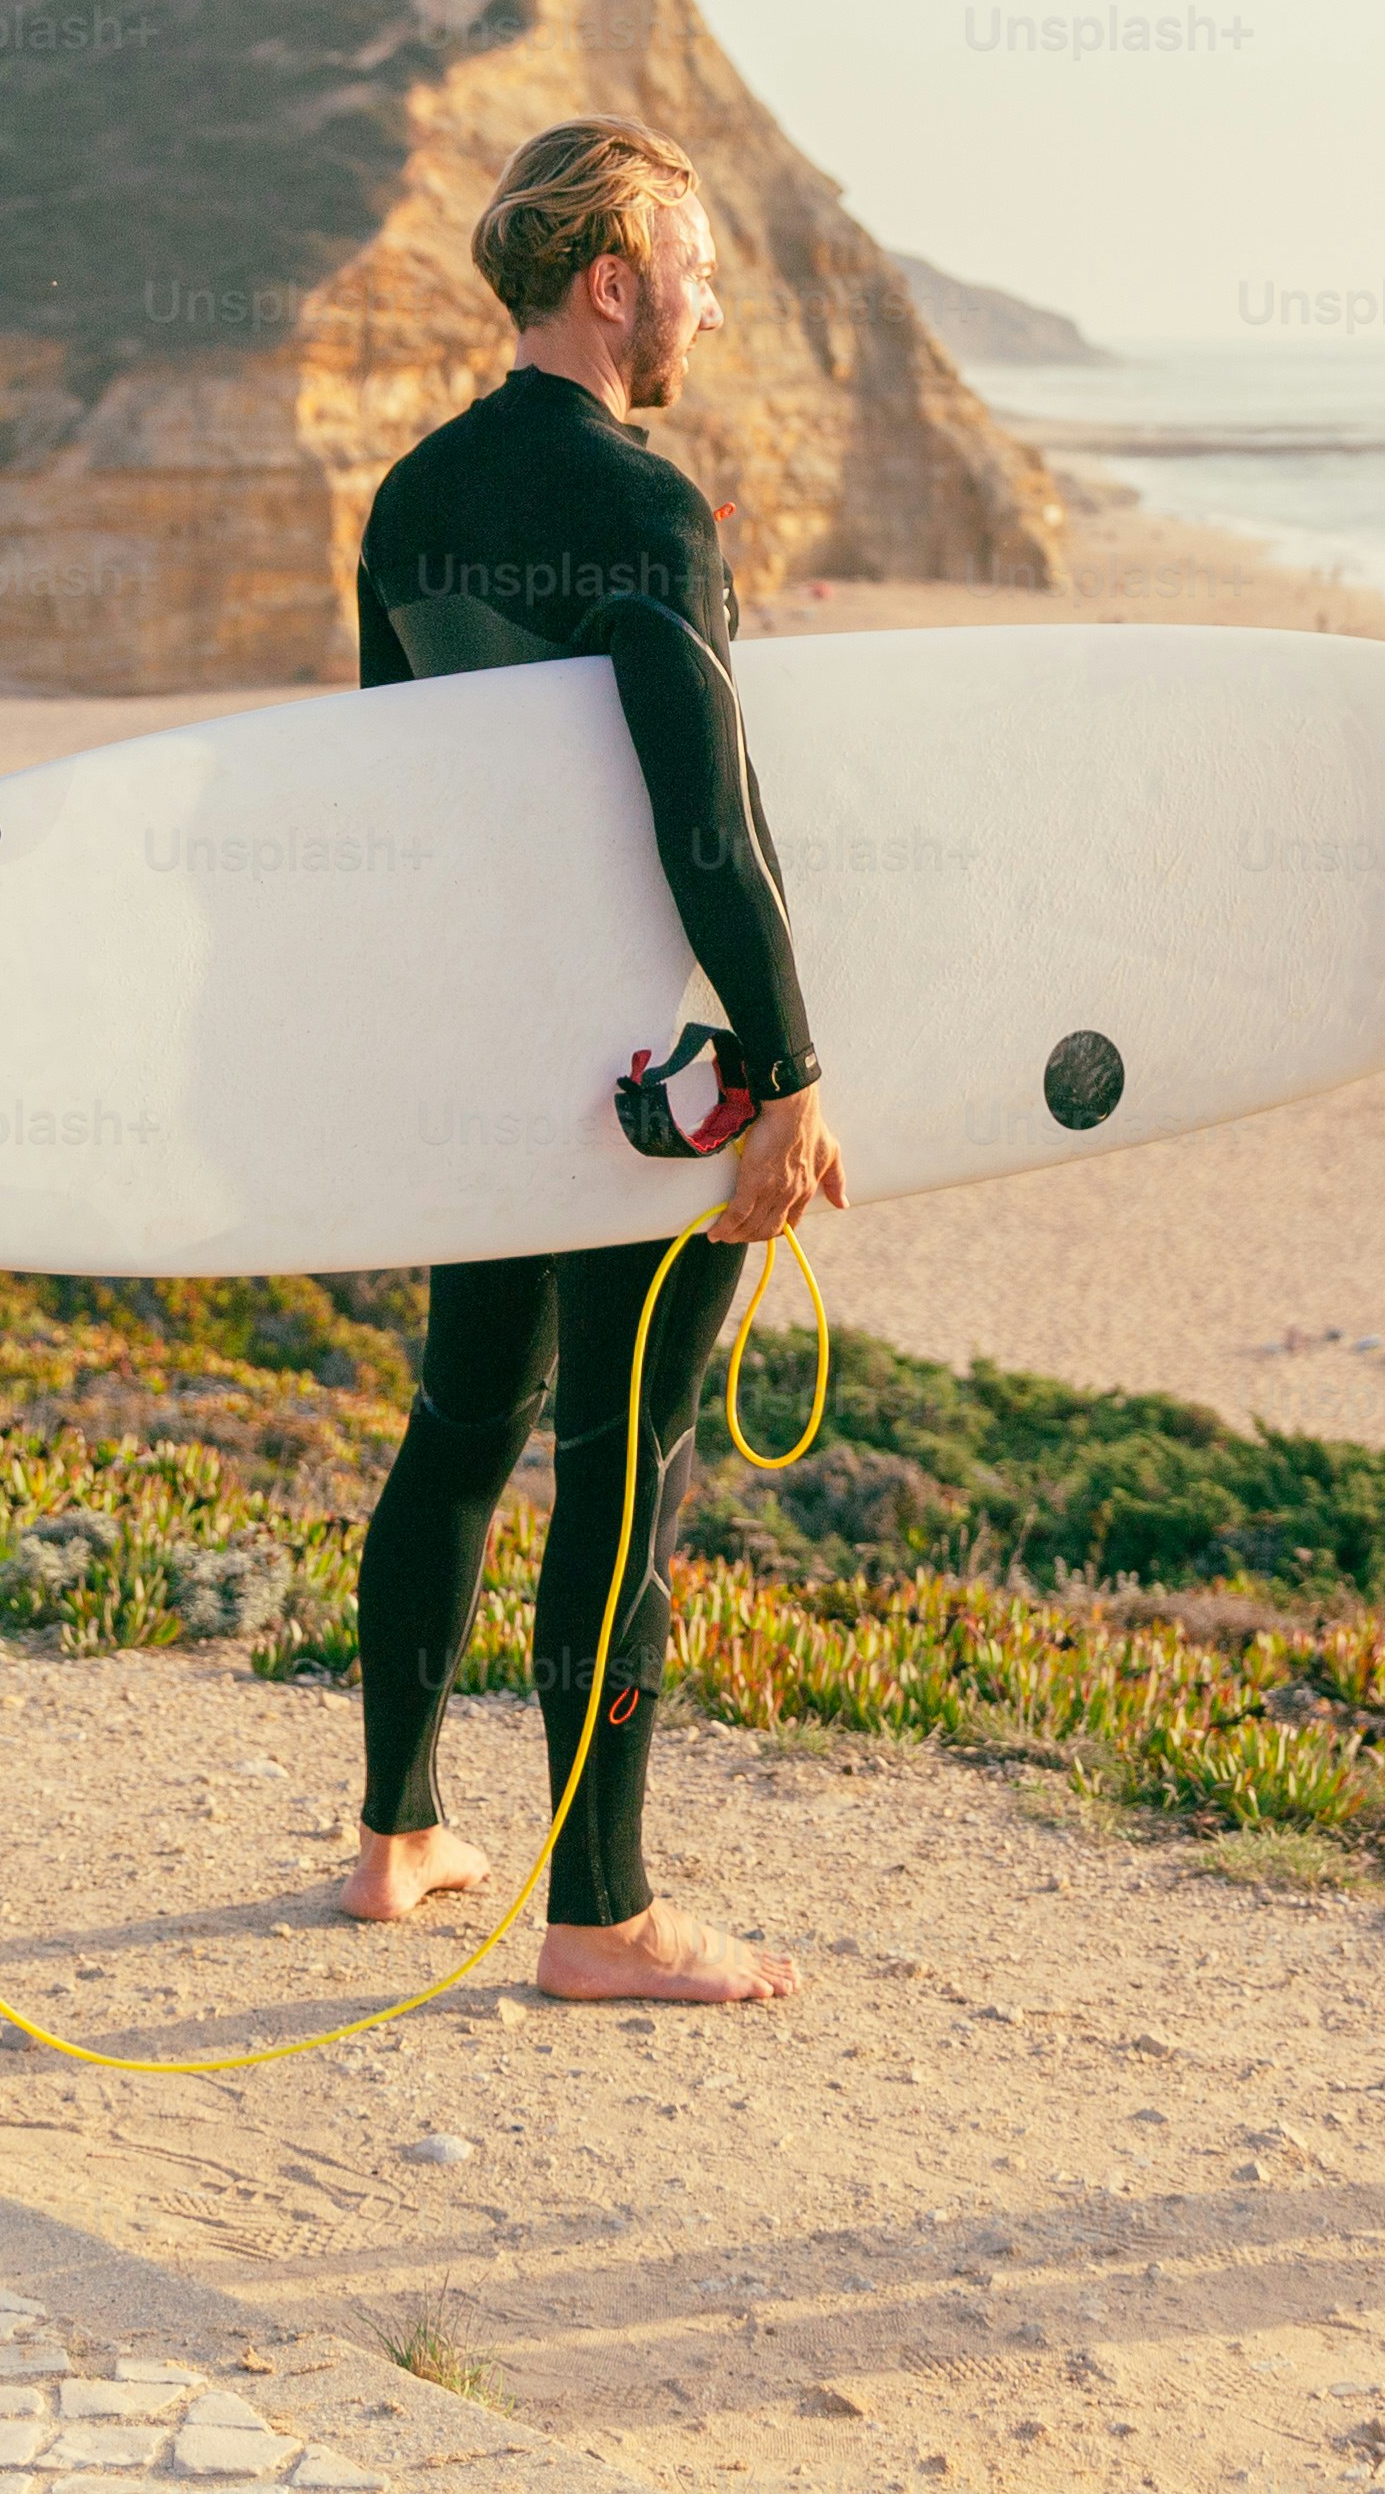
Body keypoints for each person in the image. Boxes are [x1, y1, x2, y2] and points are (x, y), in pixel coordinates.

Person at [336, 117, 847, 2003]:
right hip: (636, 1068)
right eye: (694, 267)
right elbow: (709, 829)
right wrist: (787, 1070)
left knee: (464, 1426)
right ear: (612, 278)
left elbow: (392, 791)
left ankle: (399, 1840)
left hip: (483, 1039)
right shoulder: (652, 518)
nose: (709, 297)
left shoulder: (411, 498)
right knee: (632, 1457)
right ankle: (602, 1915)